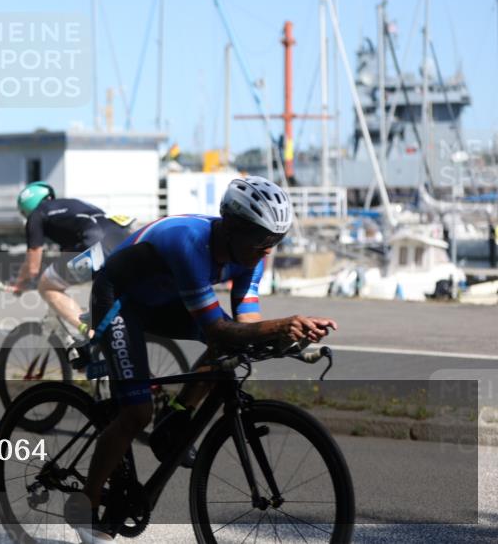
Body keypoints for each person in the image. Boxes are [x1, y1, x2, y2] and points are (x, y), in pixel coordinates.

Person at [66, 176, 338, 543]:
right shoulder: (189, 242)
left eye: (276, 241)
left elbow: (247, 325)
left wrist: (287, 335)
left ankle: (176, 415)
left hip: (165, 302)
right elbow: (217, 331)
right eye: (262, 240)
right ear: (232, 229)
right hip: (120, 301)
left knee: (235, 348)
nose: (268, 251)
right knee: (135, 414)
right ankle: (87, 503)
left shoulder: (251, 257)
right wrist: (282, 324)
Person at [7, 182, 134, 337]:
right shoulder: (71, 205)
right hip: (123, 239)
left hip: (96, 245)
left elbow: (33, 266)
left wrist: (19, 283)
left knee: (47, 286)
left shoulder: (37, 214)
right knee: (104, 297)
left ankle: (89, 332)